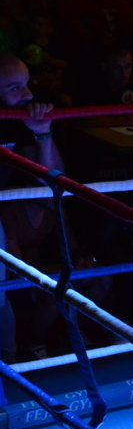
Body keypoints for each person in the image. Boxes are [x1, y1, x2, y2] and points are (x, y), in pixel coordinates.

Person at [0, 53, 64, 361]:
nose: (27, 94)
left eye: (27, 84)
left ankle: (10, 364)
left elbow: (53, 183)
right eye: (14, 88)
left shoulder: (19, 117)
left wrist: (42, 134)